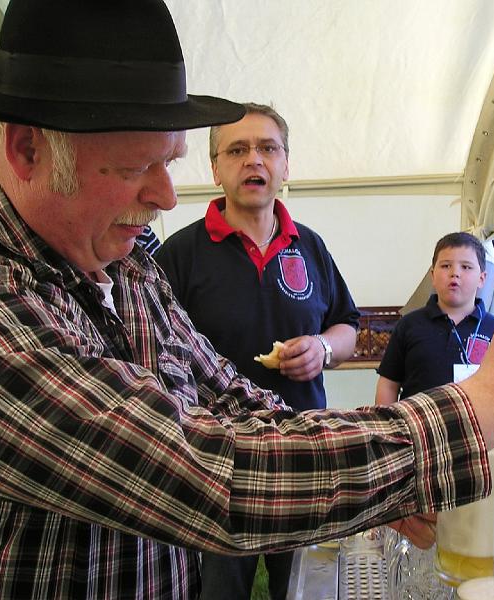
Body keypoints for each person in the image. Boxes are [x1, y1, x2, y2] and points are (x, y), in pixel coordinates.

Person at [0, 1, 494, 597]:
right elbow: (206, 477)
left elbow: (229, 399)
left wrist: (392, 473)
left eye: (170, 162)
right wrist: (489, 404)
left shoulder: (123, 260)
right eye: (135, 168)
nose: (162, 195)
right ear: (26, 150)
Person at [156, 103, 359, 600]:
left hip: (303, 453)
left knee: (304, 587)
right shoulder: (178, 255)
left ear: (285, 165)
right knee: (220, 589)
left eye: (268, 148)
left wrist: (323, 349)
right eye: (238, 150)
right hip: (219, 463)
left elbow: (348, 326)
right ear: (215, 167)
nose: (254, 161)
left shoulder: (309, 246)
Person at [375, 231, 494, 405]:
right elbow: (389, 384)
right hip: (418, 428)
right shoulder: (409, 325)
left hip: (478, 430)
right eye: (446, 266)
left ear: (482, 278)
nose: (455, 273)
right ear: (433, 276)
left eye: (466, 267)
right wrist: (388, 428)